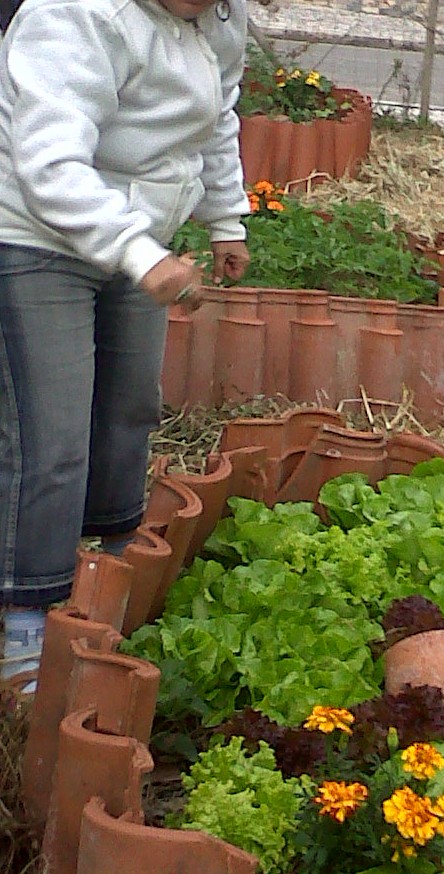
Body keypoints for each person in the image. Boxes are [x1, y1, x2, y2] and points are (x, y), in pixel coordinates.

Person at [0, 0, 252, 690]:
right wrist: (140, 255)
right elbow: (49, 164)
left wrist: (225, 218)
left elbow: (218, 114)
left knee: (129, 407)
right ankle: (26, 619)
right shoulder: (75, 14)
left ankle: (109, 571)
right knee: (49, 440)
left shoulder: (220, 17)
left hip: (136, 237)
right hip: (33, 235)